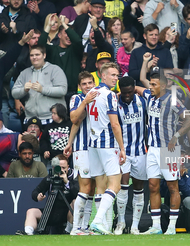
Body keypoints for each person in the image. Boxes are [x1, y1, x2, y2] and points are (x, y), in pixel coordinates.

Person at [134, 73, 190, 235]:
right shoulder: (150, 97)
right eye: (150, 84)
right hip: (152, 149)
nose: (150, 87)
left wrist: (176, 137)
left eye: (154, 84)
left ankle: (171, 227)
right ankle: (156, 227)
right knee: (153, 186)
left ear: (163, 86)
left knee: (172, 187)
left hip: (168, 150)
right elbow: (138, 88)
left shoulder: (173, 101)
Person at [87, 62, 126, 235]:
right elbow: (115, 124)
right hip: (107, 144)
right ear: (103, 75)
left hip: (92, 144)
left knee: (100, 186)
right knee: (115, 185)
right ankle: (97, 221)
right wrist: (122, 147)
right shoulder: (110, 95)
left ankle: (99, 224)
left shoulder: (91, 92)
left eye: (117, 75)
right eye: (112, 75)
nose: (115, 78)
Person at [63, 71, 97, 235]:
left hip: (97, 149)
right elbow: (75, 119)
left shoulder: (99, 98)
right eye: (84, 84)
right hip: (82, 149)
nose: (87, 86)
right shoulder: (76, 99)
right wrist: (85, 102)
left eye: (90, 83)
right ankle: (76, 227)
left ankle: (85, 226)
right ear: (79, 86)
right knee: (84, 187)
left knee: (92, 189)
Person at [114, 76, 147, 235]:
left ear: (134, 89)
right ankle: (121, 223)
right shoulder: (115, 103)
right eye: (124, 93)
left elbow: (148, 89)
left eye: (130, 92)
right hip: (123, 152)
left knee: (139, 189)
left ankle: (134, 225)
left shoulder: (142, 102)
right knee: (123, 186)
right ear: (120, 90)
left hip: (140, 152)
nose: (127, 95)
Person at [15, 154, 78, 235]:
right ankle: (28, 233)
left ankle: (68, 231)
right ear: (53, 167)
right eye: (58, 168)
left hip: (68, 214)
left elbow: (77, 194)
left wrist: (67, 182)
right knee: (31, 212)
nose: (61, 170)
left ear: (68, 166)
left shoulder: (74, 176)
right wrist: (38, 196)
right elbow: (35, 192)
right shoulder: (51, 177)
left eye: (64, 168)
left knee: (75, 202)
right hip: (51, 212)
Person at [11, 44, 68, 125]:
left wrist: (42, 89)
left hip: (52, 118)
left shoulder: (55, 69)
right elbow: (14, 93)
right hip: (31, 119)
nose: (34, 57)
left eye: (37, 54)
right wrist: (24, 90)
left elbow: (62, 90)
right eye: (32, 55)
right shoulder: (25, 73)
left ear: (44, 55)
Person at [39, 14, 83, 103]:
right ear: (59, 35)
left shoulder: (75, 50)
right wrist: (48, 26)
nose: (69, 36)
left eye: (70, 32)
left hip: (74, 92)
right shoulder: (52, 50)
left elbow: (77, 40)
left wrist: (63, 24)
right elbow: (40, 45)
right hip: (55, 92)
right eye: (66, 33)